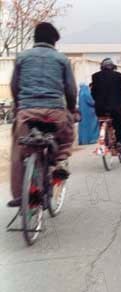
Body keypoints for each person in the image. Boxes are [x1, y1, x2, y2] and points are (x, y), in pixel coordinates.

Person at [8, 22, 79, 207]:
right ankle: (60, 162)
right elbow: (70, 90)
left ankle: (19, 196)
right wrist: (71, 110)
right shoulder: (62, 60)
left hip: (27, 112)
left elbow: (14, 86)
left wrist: (19, 107)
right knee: (66, 135)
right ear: (54, 41)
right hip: (55, 112)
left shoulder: (22, 57)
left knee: (19, 151)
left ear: (35, 39)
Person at [91, 58, 121, 153]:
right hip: (116, 109)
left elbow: (93, 93)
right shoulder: (119, 76)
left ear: (102, 67)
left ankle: (105, 138)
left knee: (102, 121)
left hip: (100, 108)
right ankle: (120, 142)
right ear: (113, 67)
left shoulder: (95, 76)